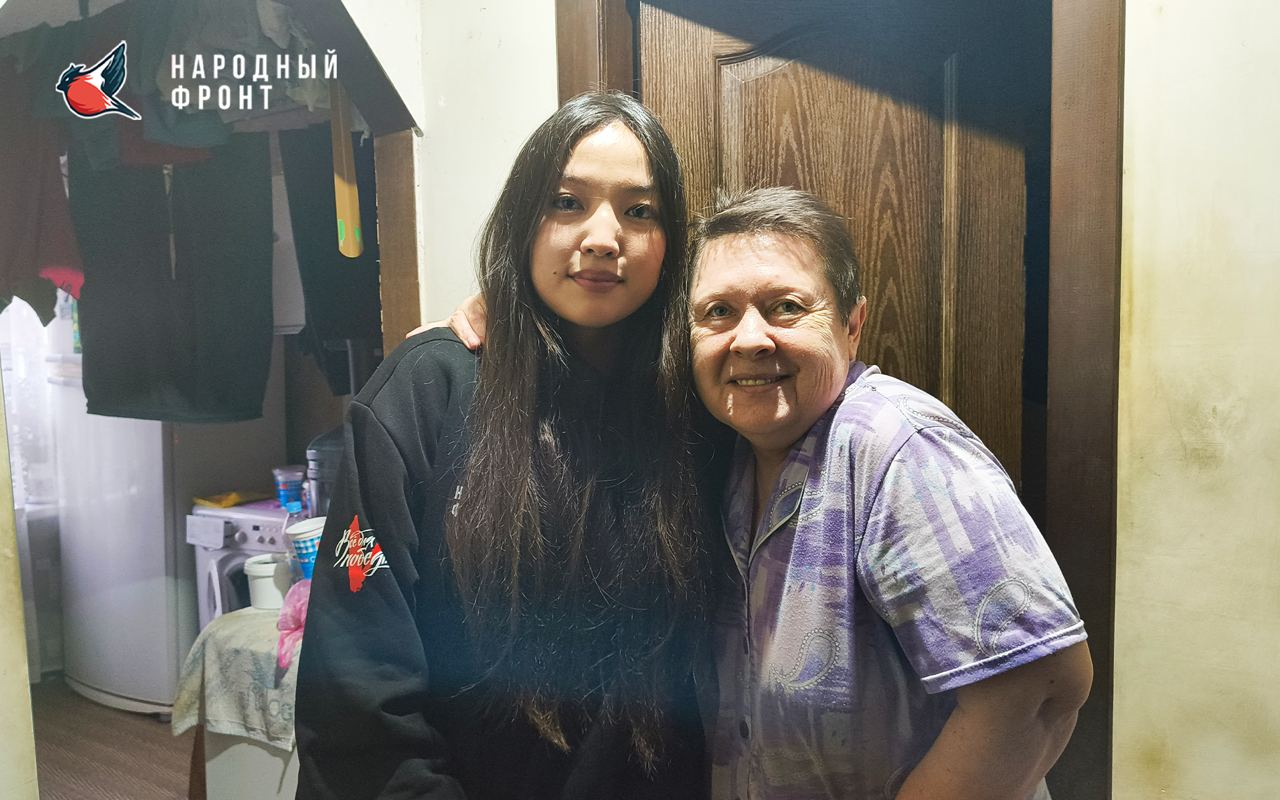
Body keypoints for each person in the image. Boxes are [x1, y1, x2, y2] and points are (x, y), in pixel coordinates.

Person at [294, 91, 723, 800]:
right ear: (523, 220)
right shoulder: (428, 389)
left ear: (672, 243)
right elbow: (357, 682)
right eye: (567, 203)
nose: (603, 236)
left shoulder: (698, 407)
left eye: (640, 211)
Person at [686, 187, 1093, 799]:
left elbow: (1039, 690)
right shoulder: (733, 461)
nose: (749, 339)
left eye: (786, 307)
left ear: (852, 326)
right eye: (718, 312)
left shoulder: (897, 446)